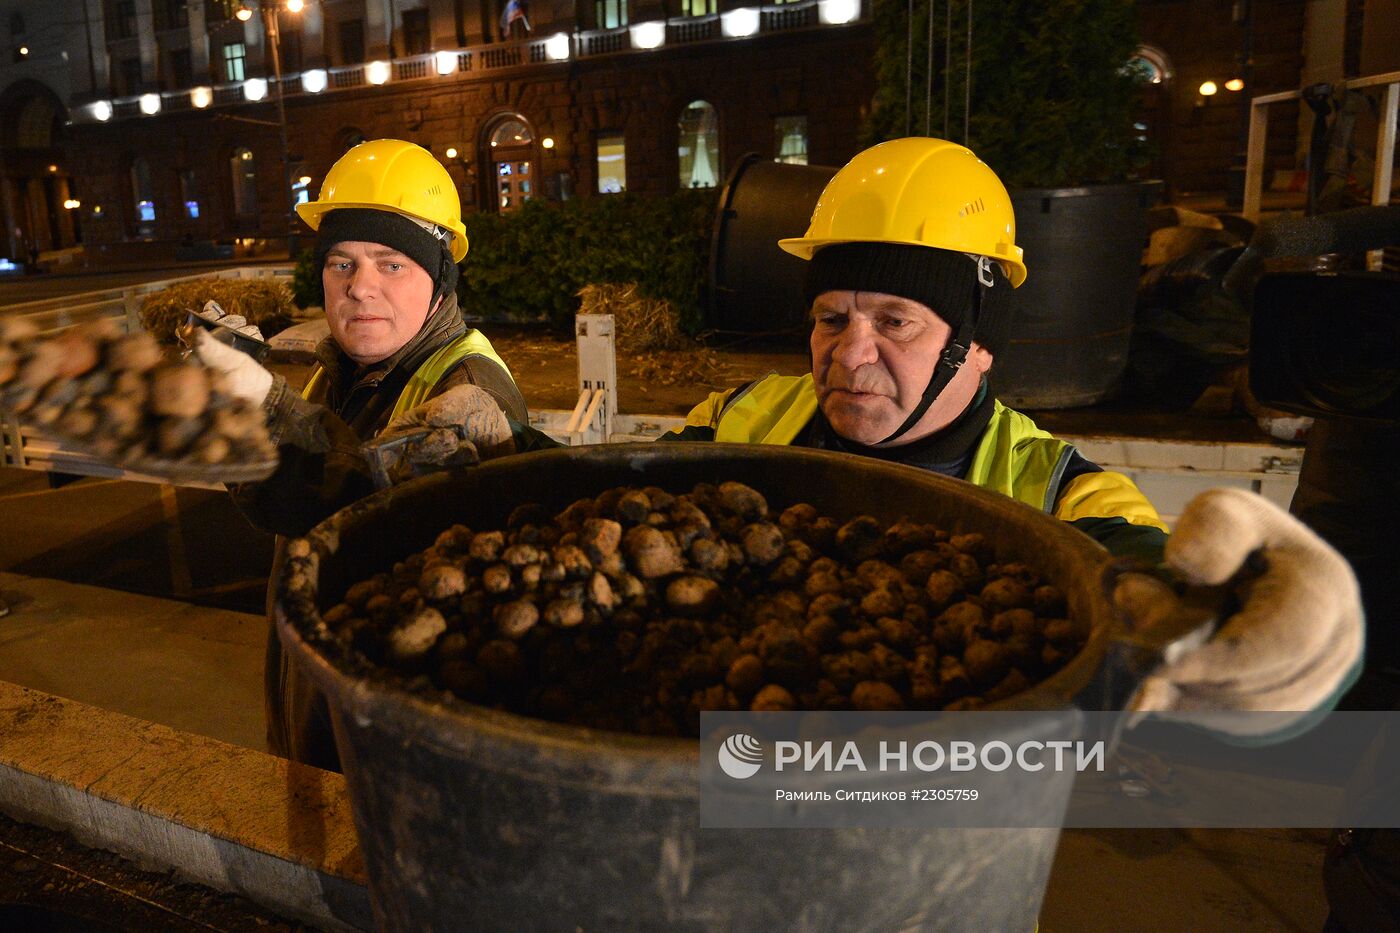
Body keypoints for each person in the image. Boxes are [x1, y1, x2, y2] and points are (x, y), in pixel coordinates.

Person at [661, 137, 1363, 730]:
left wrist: (1290, 657)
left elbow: (1160, 594)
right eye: (831, 318)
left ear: (979, 345)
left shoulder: (1059, 494)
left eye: (895, 321)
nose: (850, 354)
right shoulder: (735, 418)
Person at [196, 138, 528, 767]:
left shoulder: (469, 391)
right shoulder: (340, 373)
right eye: (341, 263)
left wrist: (259, 405)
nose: (360, 288)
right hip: (316, 704)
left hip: (393, 745)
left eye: (391, 264)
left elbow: (363, 510)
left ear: (439, 280)